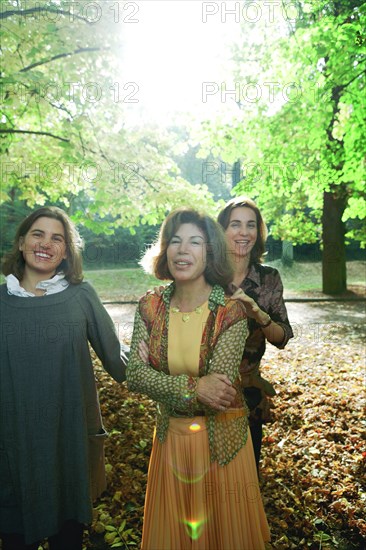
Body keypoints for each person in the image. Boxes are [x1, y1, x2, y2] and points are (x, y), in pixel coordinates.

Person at [127, 208, 270, 550]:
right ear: (165, 251)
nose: (182, 250)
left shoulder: (230, 311)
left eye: (195, 242)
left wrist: (157, 378)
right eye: (174, 242)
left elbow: (217, 393)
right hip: (170, 441)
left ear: (211, 252)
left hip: (222, 446)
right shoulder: (149, 306)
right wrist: (193, 386)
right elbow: (134, 375)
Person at [0, 206, 127, 550]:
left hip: (68, 443)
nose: (46, 243)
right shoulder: (1, 301)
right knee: (14, 538)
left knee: (68, 538)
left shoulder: (80, 295)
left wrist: (171, 345)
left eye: (57, 238)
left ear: (67, 251)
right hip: (12, 449)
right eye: (38, 234)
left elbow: (120, 363)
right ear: (22, 241)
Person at [217, 196, 293, 468]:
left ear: (258, 233)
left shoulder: (268, 278)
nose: (243, 232)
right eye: (235, 224)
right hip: (205, 395)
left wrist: (259, 314)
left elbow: (282, 337)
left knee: (245, 481)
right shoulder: (206, 276)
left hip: (248, 398)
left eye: (251, 225)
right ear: (221, 231)